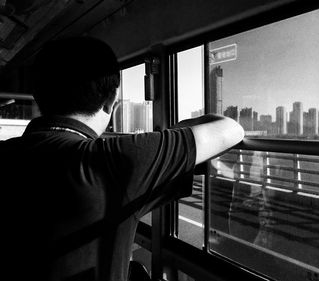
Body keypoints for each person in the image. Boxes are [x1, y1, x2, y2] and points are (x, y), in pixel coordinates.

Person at [0, 37, 244, 281]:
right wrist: (171, 133)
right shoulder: (115, 161)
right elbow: (230, 129)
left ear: (38, 95)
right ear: (110, 102)